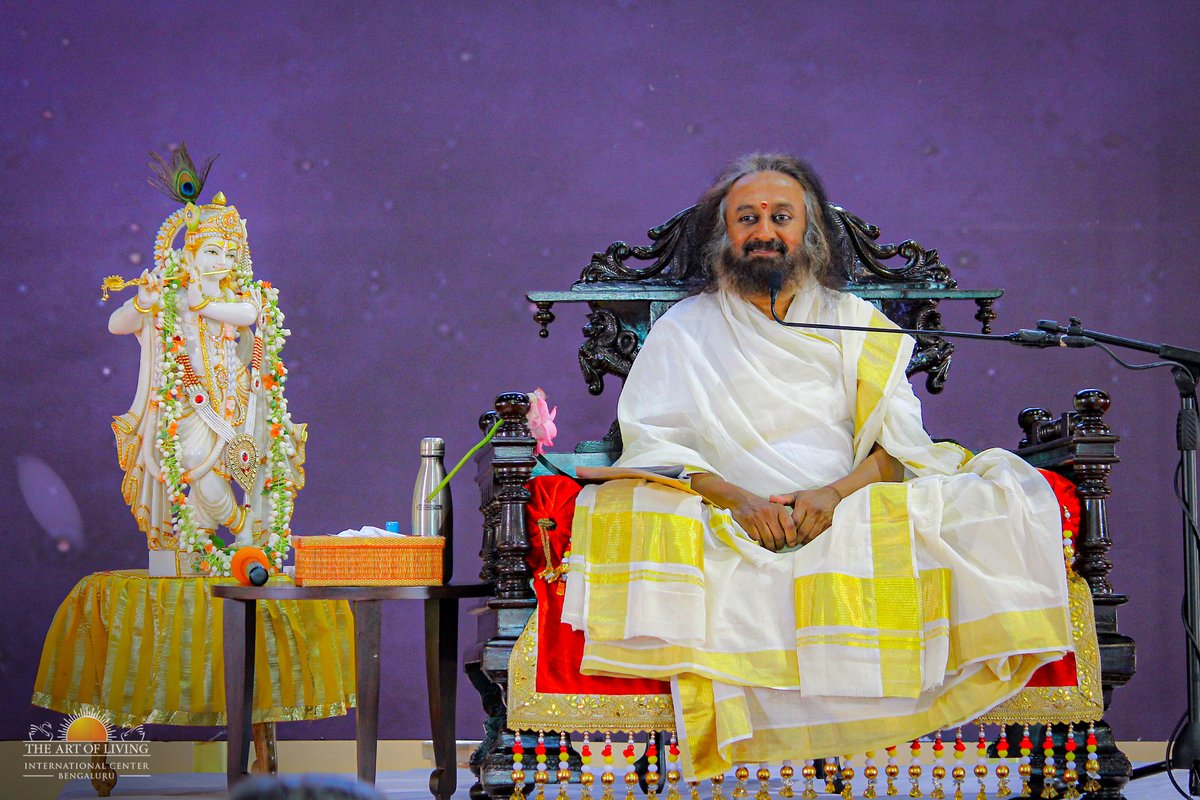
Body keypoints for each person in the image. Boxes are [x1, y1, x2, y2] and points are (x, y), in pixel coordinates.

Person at [561, 154, 1072, 779]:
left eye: (781, 216)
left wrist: (833, 496)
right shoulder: (684, 329)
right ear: (726, 234)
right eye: (747, 218)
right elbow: (656, 446)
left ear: (810, 233)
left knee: (985, 502)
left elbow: (899, 446)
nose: (764, 231)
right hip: (724, 507)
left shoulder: (856, 322)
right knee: (635, 507)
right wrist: (738, 500)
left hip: (843, 501)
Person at [108, 148, 305, 576]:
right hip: (188, 406)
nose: (223, 263)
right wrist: (142, 301)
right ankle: (231, 531)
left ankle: (225, 541)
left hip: (235, 403)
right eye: (213, 253)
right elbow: (116, 325)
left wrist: (205, 304)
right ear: (190, 255)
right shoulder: (173, 297)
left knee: (235, 473)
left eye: (230, 255)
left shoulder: (237, 297)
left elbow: (249, 315)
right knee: (197, 472)